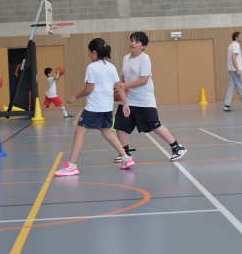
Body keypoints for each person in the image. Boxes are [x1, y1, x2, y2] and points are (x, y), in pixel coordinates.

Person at [54, 38, 134, 176]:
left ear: (94, 52)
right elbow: (119, 86)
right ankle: (126, 158)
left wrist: (74, 97)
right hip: (107, 107)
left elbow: (89, 89)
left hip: (94, 108)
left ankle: (71, 166)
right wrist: (125, 103)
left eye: (89, 52)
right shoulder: (111, 66)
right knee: (107, 133)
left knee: (79, 133)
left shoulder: (92, 67)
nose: (89, 55)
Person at [113, 32, 187, 162]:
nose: (133, 43)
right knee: (119, 125)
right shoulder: (126, 58)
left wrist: (124, 85)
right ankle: (124, 152)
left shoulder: (144, 58)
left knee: (155, 125)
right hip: (129, 99)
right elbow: (123, 76)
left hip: (144, 99)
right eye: (131, 40)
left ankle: (177, 147)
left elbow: (144, 80)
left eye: (136, 41)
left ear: (143, 46)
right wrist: (118, 87)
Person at [224, 31, 242, 111]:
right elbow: (233, 58)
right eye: (240, 36)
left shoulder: (230, 45)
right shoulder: (236, 46)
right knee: (241, 86)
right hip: (235, 69)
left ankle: (227, 105)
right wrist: (237, 70)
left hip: (231, 69)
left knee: (231, 87)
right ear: (236, 38)